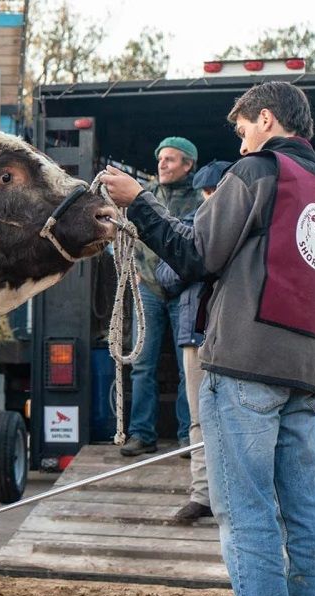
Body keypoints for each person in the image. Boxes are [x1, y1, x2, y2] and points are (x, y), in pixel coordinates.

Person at [100, 81, 315, 596]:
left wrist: (137, 201)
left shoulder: (255, 174)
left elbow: (194, 254)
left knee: (245, 515)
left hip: (242, 365)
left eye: (243, 128)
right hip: (304, 375)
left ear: (266, 120)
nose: (241, 142)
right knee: (302, 519)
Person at [155, 159, 233, 522]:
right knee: (200, 419)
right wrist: (198, 260)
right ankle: (202, 495)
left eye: (215, 190)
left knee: (242, 419)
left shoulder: (247, 228)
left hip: (237, 337)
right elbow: (165, 276)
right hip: (196, 336)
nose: (210, 196)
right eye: (205, 191)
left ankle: (237, 497)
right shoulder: (187, 227)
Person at [120, 136, 204, 457]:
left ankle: (187, 436)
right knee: (142, 364)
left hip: (185, 290)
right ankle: (142, 434)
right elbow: (124, 233)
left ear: (187, 164)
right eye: (161, 159)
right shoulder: (144, 196)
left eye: (170, 159)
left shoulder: (201, 199)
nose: (162, 164)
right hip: (147, 289)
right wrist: (133, 270)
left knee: (189, 368)